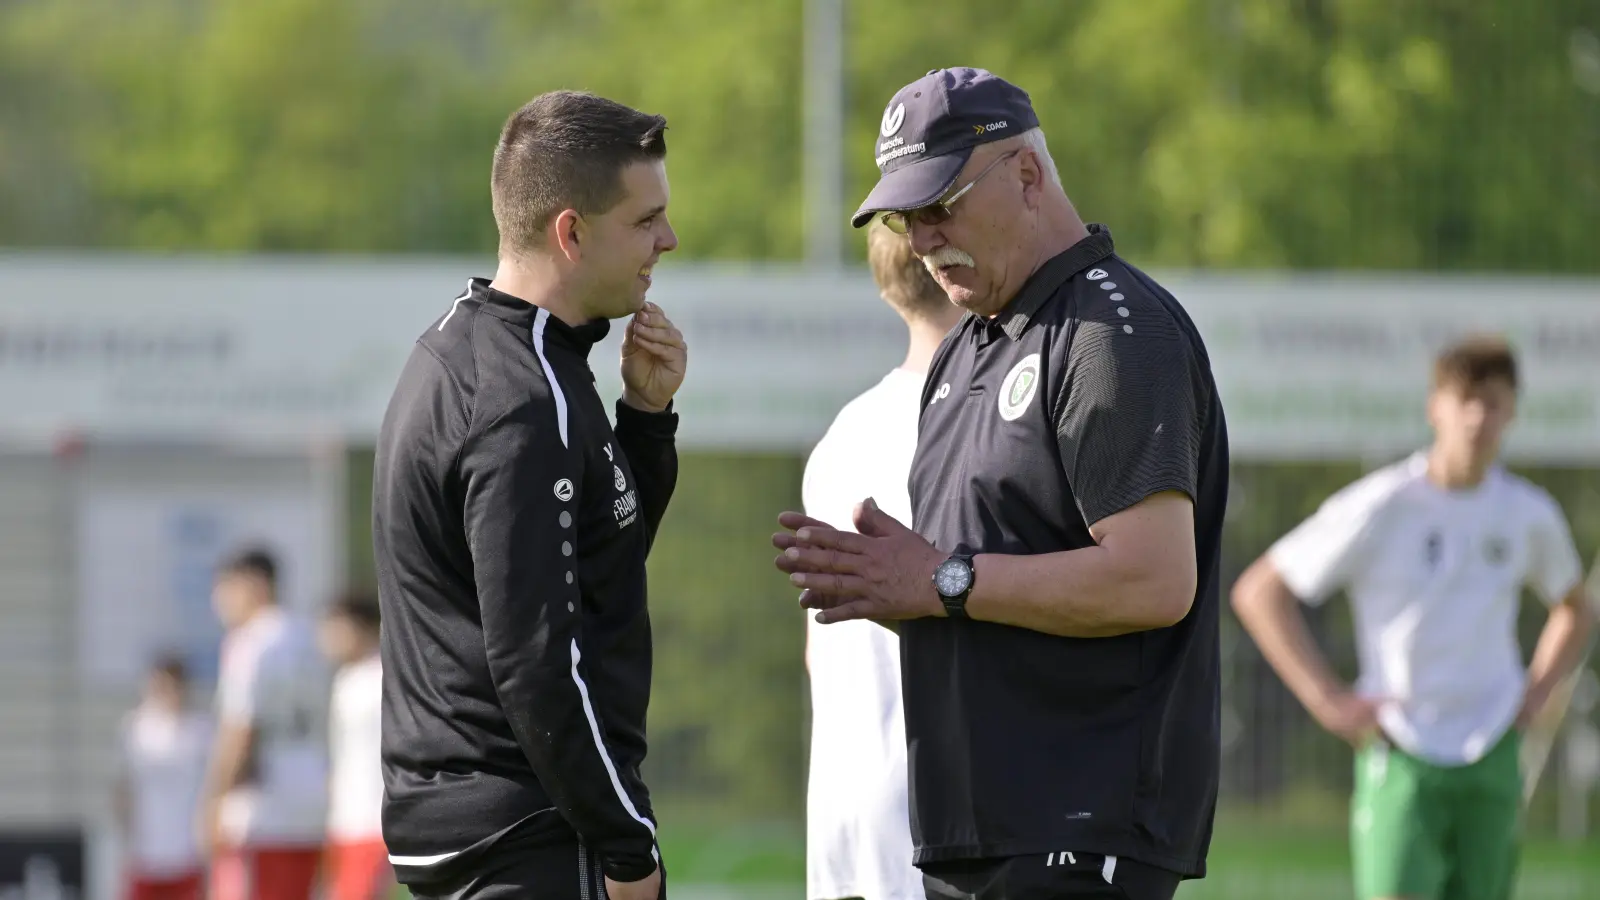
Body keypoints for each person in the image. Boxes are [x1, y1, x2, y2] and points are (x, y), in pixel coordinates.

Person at [775, 67, 1229, 900]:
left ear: (1026, 173)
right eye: (905, 218)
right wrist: (895, 590)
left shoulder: (1111, 333)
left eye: (939, 206)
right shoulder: (968, 347)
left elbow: (1155, 579)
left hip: (1074, 834)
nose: (920, 238)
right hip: (972, 835)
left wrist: (940, 580)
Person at [373, 90, 686, 900]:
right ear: (571, 232)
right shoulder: (519, 397)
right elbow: (539, 662)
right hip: (528, 835)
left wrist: (645, 424)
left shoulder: (478, 349)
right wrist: (629, 849)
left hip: (483, 830)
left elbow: (588, 574)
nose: (667, 240)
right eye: (645, 219)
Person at [1230, 335, 1596, 900]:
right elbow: (1260, 592)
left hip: (1493, 748)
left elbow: (1573, 609)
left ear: (1512, 412)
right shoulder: (1382, 505)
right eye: (1465, 398)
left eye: (1494, 401)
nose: (1478, 415)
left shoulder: (1528, 514)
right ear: (1435, 407)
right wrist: (1328, 700)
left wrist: (1536, 693)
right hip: (1401, 747)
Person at [803, 220, 964, 900]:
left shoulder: (841, 434)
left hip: (841, 815)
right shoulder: (974, 428)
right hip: (933, 819)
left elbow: (817, 647)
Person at [201, 548, 331, 900]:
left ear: (254, 585)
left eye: (225, 588)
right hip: (312, 800)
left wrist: (213, 801)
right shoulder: (310, 637)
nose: (219, 600)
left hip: (263, 810)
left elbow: (241, 728)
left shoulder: (251, 642)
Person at [115, 655, 213, 900]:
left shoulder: (201, 730)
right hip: (145, 855)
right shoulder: (135, 728)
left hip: (188, 855)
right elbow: (122, 788)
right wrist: (127, 836)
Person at [318, 591, 391, 900]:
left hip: (375, 823)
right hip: (344, 821)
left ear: (358, 626)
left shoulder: (385, 676)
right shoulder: (344, 680)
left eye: (334, 626)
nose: (326, 637)